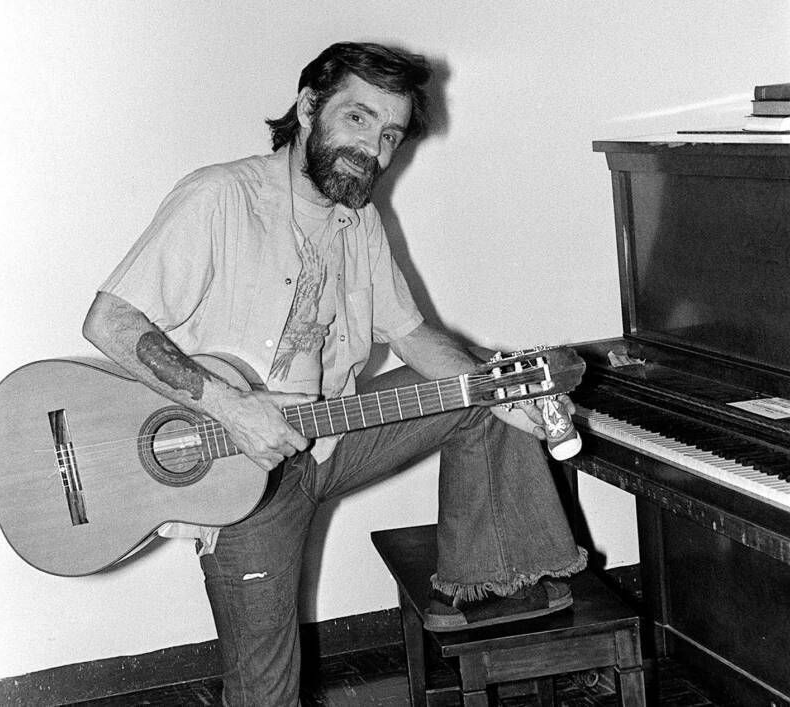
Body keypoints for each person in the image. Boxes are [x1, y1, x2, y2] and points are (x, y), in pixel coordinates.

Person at [82, 41, 586, 706]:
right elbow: (109, 321)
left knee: (477, 384)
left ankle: (495, 588)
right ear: (309, 105)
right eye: (358, 119)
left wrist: (498, 396)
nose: (374, 148)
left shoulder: (360, 221)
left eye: (389, 134)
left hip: (330, 436)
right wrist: (230, 404)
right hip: (237, 480)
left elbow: (411, 335)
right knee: (266, 694)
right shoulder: (218, 196)